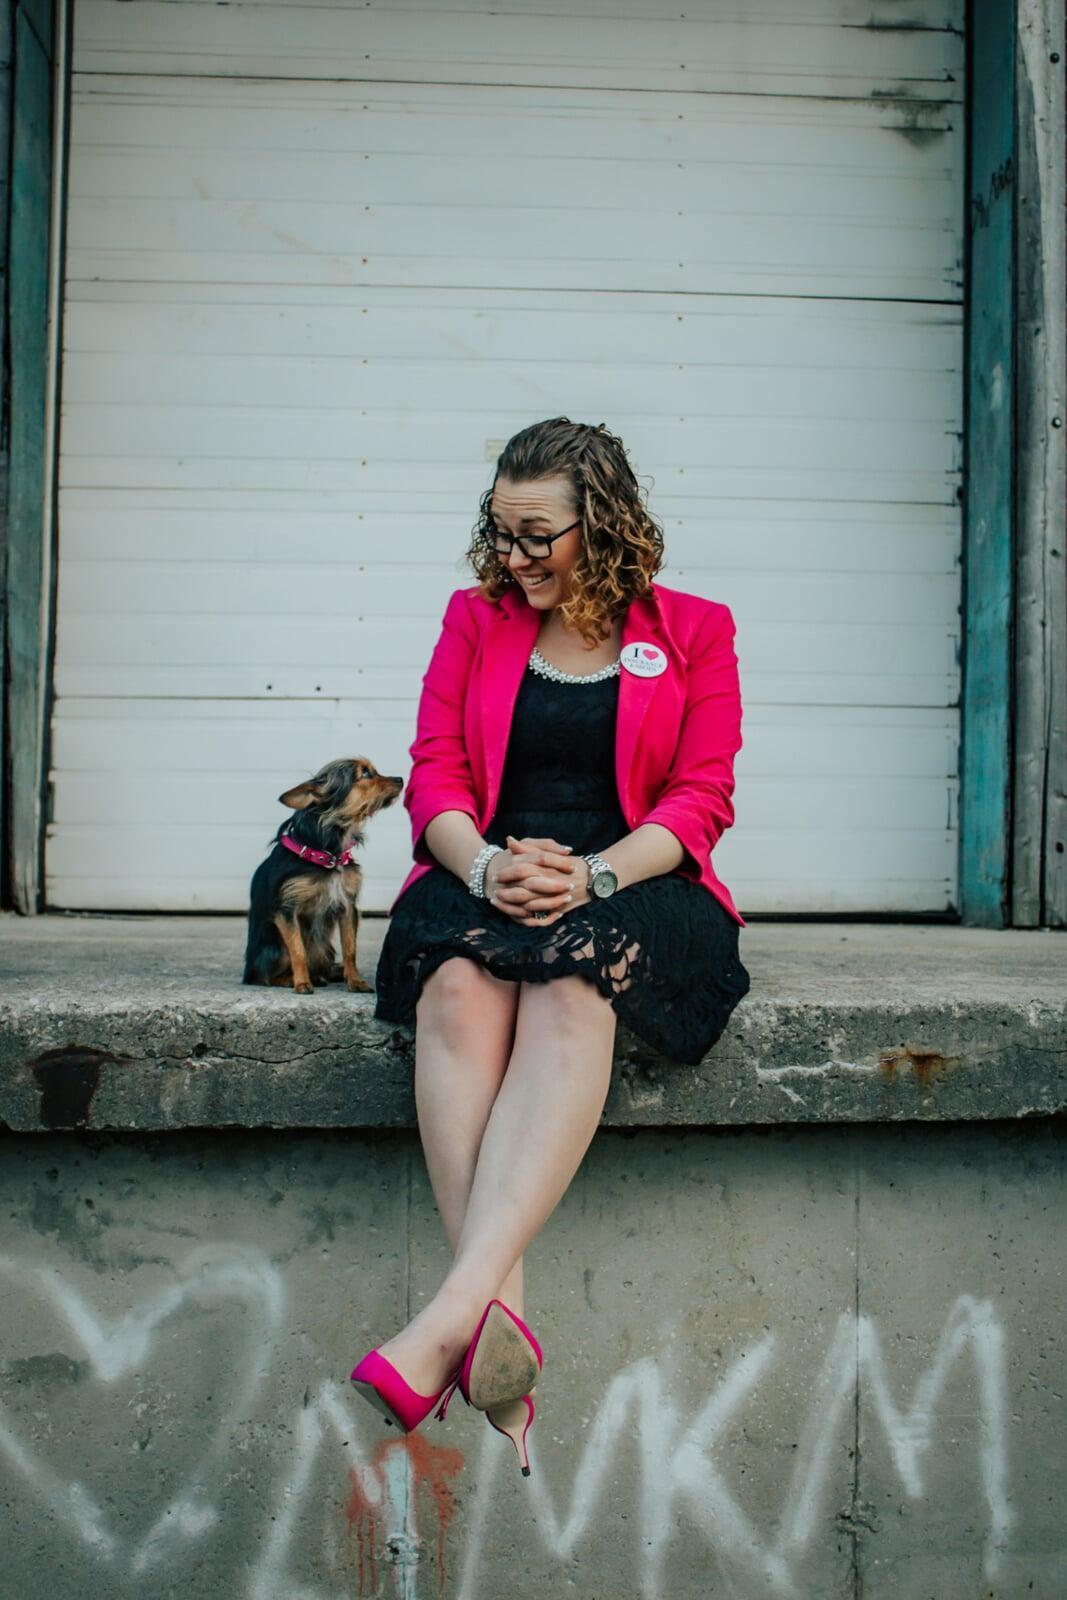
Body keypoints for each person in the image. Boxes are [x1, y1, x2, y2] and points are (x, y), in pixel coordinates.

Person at [350, 417, 750, 1474]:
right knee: (455, 987)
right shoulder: (471, 620)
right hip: (485, 867)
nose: (514, 557)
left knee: (573, 987)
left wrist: (595, 871)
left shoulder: (695, 628)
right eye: (500, 533)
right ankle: (493, 1320)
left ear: (600, 524)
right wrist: (482, 866)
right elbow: (433, 772)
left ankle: (444, 1321)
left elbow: (701, 797)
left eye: (538, 535)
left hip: (636, 880)